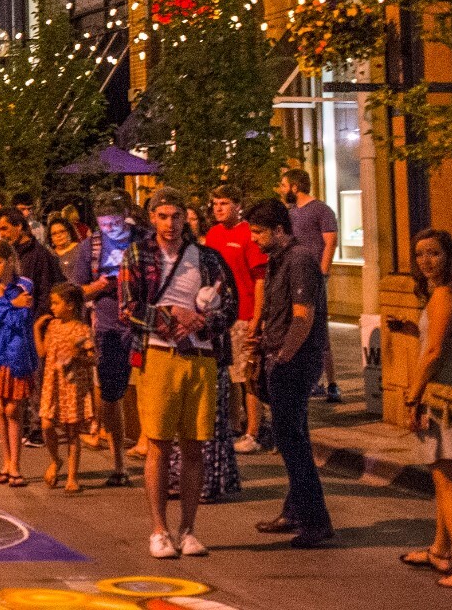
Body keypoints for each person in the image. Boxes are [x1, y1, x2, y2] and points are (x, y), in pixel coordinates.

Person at [121, 186, 237, 560]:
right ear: (152, 218)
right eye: (162, 216)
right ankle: (159, 529)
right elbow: (128, 307)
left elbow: (231, 307)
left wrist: (200, 320)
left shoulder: (207, 258)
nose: (170, 224)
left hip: (201, 358)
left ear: (186, 218)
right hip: (158, 355)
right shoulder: (138, 254)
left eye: (176, 216)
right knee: (157, 443)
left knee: (195, 445)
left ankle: (188, 530)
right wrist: (169, 317)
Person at [236, 199, 334, 554]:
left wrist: (283, 355)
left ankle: (315, 520)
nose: (254, 239)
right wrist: (262, 336)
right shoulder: (278, 260)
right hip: (281, 357)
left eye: (259, 232)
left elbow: (303, 317)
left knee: (293, 442)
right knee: (292, 437)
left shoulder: (301, 260)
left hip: (294, 362)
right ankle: (295, 511)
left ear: (280, 230)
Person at [405, 228, 452, 588]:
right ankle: (441, 551)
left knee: (447, 479)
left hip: (445, 393)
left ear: (449, 256)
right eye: (419, 255)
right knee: (445, 473)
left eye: (434, 253)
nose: (426, 261)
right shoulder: (449, 291)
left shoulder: (445, 294)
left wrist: (412, 395)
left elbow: (433, 352)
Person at [69, 193, 138, 486]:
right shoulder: (90, 247)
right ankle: (119, 464)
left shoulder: (143, 241)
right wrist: (100, 285)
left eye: (116, 223)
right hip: (108, 327)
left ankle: (159, 454)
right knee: (111, 396)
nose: (110, 229)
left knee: (148, 392)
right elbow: (76, 292)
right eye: (104, 224)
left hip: (143, 325)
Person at [202, 187, 268, 454]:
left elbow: (260, 278)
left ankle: (253, 431)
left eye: (225, 203)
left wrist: (257, 317)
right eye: (215, 203)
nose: (218, 208)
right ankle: (232, 424)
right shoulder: (213, 234)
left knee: (247, 376)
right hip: (219, 316)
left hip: (244, 314)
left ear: (238, 205)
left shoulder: (247, 234)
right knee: (226, 374)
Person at [278, 168, 342, 401]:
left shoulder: (321, 210)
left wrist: (323, 273)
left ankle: (332, 383)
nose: (282, 190)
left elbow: (330, 242)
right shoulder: (290, 213)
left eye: (284, 185)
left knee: (318, 329)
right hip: (294, 277)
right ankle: (310, 380)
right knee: (298, 325)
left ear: (295, 187)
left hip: (313, 277)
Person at [0, 241, 35, 486]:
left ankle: (17, 464)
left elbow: (21, 319)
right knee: (1, 408)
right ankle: (6, 462)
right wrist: (9, 305)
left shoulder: (24, 285)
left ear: (10, 261)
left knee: (14, 409)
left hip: (17, 352)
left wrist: (5, 305)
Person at [37, 283, 98, 493]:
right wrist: (37, 329)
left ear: (70, 305)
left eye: (56, 303)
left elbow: (93, 358)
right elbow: (43, 352)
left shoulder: (82, 329)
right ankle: (55, 460)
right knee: (46, 424)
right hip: (52, 383)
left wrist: (76, 356)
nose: (52, 307)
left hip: (72, 385)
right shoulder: (53, 326)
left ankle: (72, 476)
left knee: (73, 432)